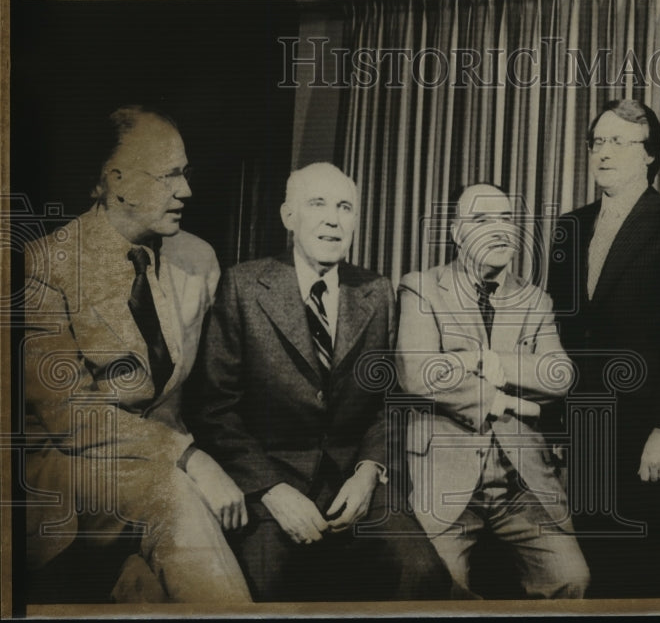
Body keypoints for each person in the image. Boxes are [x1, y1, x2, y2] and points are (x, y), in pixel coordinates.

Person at [22, 105, 252, 603]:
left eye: (185, 174)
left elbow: (214, 392)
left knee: (151, 580)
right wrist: (188, 458)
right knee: (173, 498)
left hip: (165, 465)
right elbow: (71, 415)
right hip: (72, 470)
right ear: (118, 180)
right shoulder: (46, 266)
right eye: (170, 175)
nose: (186, 191)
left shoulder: (198, 260)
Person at [189, 162, 449, 602]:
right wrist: (271, 490)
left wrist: (369, 472)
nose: (333, 218)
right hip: (271, 484)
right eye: (318, 204)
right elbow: (215, 409)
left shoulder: (378, 291)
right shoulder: (243, 286)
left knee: (422, 574)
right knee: (263, 586)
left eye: (345, 207)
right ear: (289, 217)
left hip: (353, 480)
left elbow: (388, 402)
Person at [396, 184, 589, 599]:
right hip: (445, 482)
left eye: (505, 218)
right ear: (456, 232)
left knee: (573, 578)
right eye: (482, 220)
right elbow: (418, 372)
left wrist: (485, 360)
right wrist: (506, 400)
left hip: (524, 487)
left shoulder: (536, 301)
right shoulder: (422, 289)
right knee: (437, 584)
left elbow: (560, 375)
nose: (499, 229)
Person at [546, 99, 660, 597]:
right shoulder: (570, 227)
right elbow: (557, 333)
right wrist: (553, 426)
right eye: (597, 141)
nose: (604, 152)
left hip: (648, 435)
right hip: (580, 432)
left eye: (620, 141)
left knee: (645, 578)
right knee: (589, 571)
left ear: (650, 154)